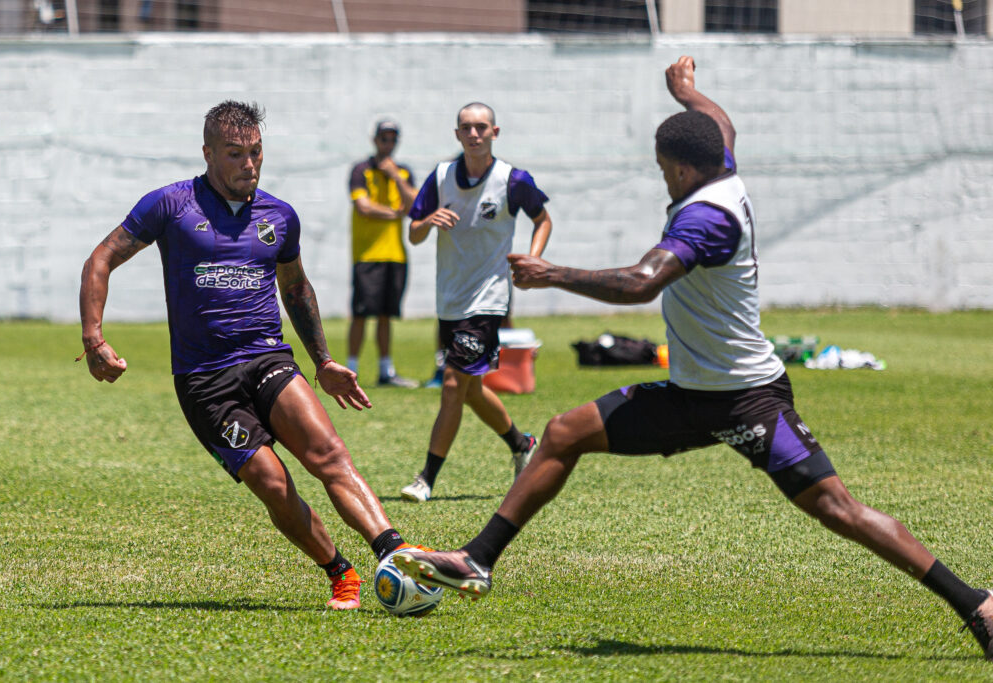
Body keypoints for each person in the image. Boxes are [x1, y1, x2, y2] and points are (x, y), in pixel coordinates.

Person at [392, 58, 992, 659]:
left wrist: (553, 274)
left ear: (682, 168)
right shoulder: (719, 167)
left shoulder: (708, 217)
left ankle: (975, 602)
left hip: (747, 398)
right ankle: (478, 559)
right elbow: (719, 123)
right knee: (563, 432)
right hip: (688, 396)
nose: (663, 181)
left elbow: (639, 282)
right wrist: (688, 93)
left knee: (837, 507)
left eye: (662, 171)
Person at [79, 100, 423, 611]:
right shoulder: (169, 205)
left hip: (268, 359)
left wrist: (324, 360)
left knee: (327, 455)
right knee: (271, 482)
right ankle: (339, 572)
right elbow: (101, 257)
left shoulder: (280, 216)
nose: (250, 164)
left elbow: (296, 288)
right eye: (236, 154)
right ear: (209, 153)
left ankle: (397, 554)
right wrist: (94, 339)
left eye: (256, 152)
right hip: (203, 380)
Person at [399, 102, 553, 502]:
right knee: (469, 389)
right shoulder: (440, 177)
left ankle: (426, 478)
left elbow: (543, 219)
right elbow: (413, 233)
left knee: (452, 383)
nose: (474, 134)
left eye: (481, 127)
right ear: (457, 134)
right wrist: (427, 222)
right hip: (450, 299)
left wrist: (533, 259)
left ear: (495, 133)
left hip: (489, 299)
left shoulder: (512, 180)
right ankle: (521, 444)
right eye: (466, 128)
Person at [347, 119, 420, 388]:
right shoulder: (361, 170)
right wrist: (393, 214)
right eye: (383, 139)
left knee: (387, 314)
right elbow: (363, 206)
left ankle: (385, 371)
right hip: (367, 254)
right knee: (360, 314)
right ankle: (351, 368)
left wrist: (395, 178)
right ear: (374, 140)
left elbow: (414, 206)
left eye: (392, 139)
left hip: (395, 254)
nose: (388, 145)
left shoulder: (403, 172)